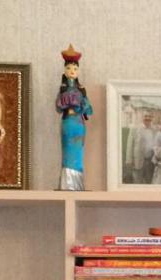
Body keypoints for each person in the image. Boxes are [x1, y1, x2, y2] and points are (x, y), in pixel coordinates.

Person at [55, 44, 93, 190]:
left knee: (78, 155)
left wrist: (83, 97)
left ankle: (77, 185)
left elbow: (89, 110)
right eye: (69, 68)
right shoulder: (63, 89)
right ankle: (67, 185)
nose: (72, 71)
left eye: (75, 69)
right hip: (68, 124)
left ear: (78, 71)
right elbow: (59, 107)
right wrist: (66, 99)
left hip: (79, 124)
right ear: (65, 70)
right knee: (67, 153)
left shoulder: (81, 89)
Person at [124, 112, 157, 184]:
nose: (148, 118)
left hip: (150, 161)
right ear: (142, 117)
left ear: (152, 118)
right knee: (137, 181)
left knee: (149, 181)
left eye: (150, 116)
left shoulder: (154, 129)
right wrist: (129, 160)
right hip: (137, 160)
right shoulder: (134, 129)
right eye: (146, 116)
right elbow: (129, 145)